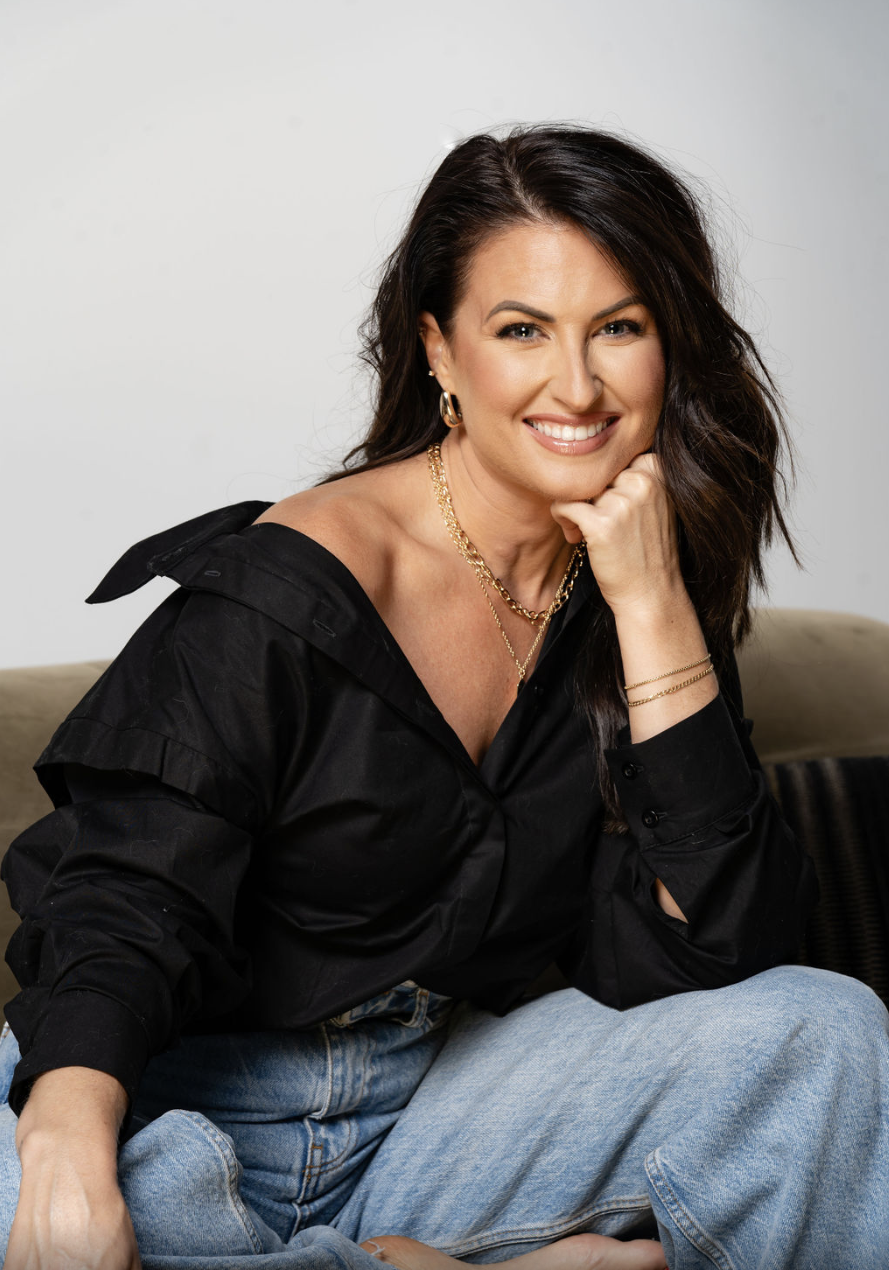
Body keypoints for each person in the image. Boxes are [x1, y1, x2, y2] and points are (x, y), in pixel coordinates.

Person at [0, 124, 887, 1270]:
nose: (577, 384)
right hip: (190, 1106)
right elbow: (123, 905)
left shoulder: (635, 581)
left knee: (823, 1035)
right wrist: (64, 1150)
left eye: (619, 327)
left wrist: (656, 606)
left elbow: (724, 945)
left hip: (434, 1111)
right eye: (522, 330)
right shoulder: (291, 594)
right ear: (440, 351)